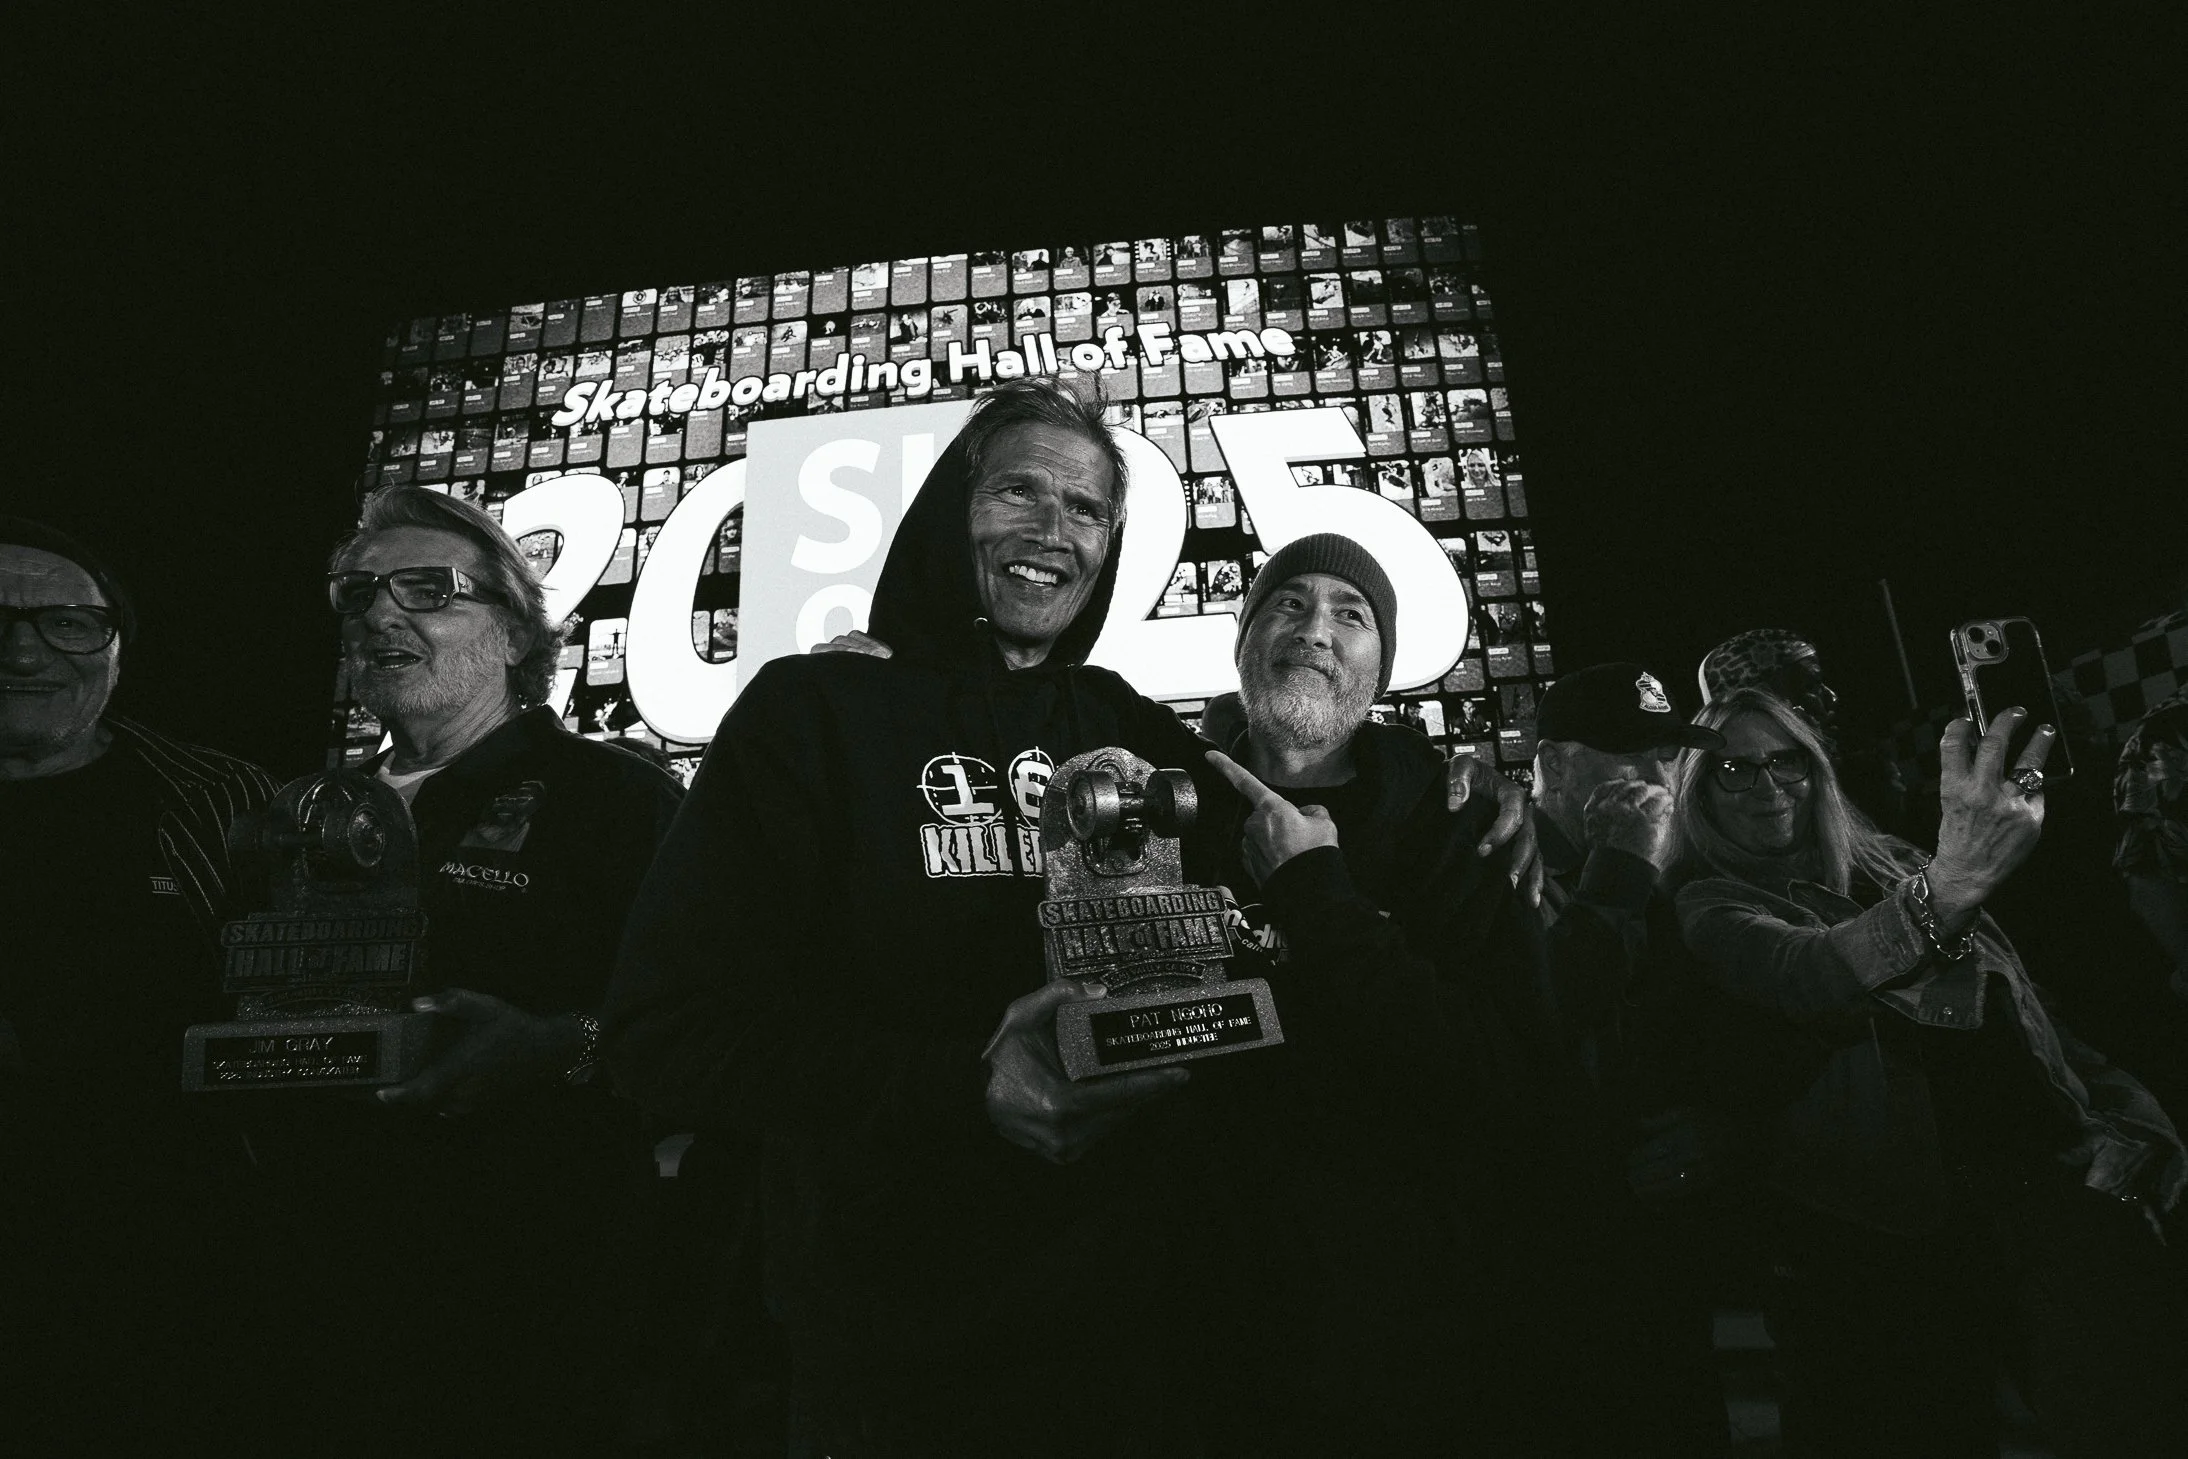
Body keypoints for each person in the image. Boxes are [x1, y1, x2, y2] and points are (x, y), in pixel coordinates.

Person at [605, 381, 1529, 1457]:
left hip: (1137, 1339)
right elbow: (659, 1033)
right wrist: (962, 1087)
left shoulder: (1119, 720)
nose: (1055, 532)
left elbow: (1306, 794)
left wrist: (1470, 781)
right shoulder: (808, 714)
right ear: (949, 515)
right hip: (899, 1350)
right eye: (1019, 494)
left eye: (1087, 509)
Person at [239, 484, 684, 1456]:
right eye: (357, 593)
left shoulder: (616, 802)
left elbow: (708, 1032)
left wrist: (556, 1048)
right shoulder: (295, 813)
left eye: (428, 587)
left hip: (522, 1305)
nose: (381, 612)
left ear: (519, 632)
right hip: (301, 1294)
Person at [1669, 687, 2188, 1457]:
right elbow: (1806, 972)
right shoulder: (1710, 900)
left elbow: (2029, 1010)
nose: (1769, 786)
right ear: (1698, 790)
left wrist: (2134, 1116)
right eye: (1734, 769)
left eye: (1785, 761)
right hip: (1889, 1248)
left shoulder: (1893, 860)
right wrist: (1947, 888)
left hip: (2047, 1192)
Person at [1193, 534, 1560, 1451]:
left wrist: (1318, 897)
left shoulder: (1457, 825)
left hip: (1403, 1334)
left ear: (1382, 665)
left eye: (1350, 614)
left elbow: (1503, 1074)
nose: (1315, 630)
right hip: (1202, 1319)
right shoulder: (1171, 810)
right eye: (1287, 602)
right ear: (1242, 639)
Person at [0, 515, 278, 1448]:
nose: (26, 651)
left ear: (118, 646)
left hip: (164, 1276)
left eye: (68, 623)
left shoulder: (220, 798)